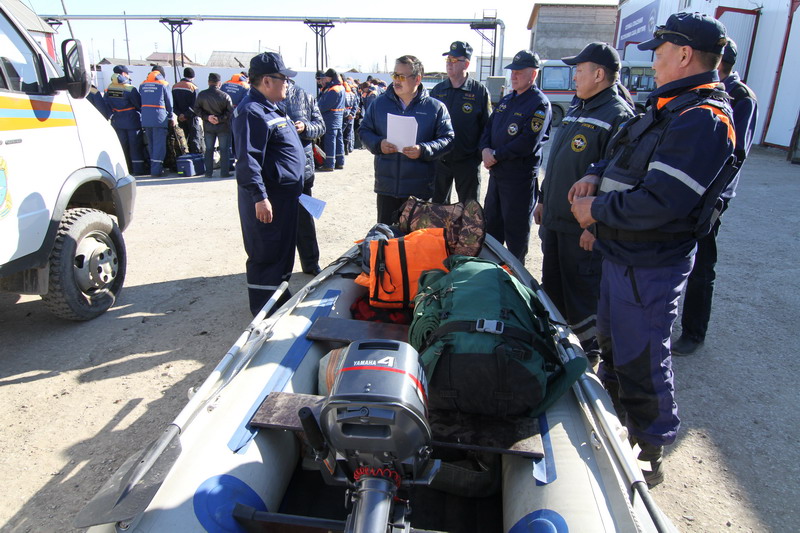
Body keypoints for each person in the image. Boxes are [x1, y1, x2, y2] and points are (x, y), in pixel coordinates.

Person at [568, 12, 736, 486]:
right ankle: (617, 420)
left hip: (650, 263)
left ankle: (649, 445)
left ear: (685, 55)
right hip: (623, 255)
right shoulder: (669, 105)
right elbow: (625, 153)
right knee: (614, 345)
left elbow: (662, 201)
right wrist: (596, 172)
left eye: (660, 55)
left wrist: (595, 211)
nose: (655, 64)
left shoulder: (702, 118)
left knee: (641, 356)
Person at [534, 43, 634, 363]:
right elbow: (559, 163)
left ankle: (587, 357)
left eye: (580, 69)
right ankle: (559, 349)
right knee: (554, 290)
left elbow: (620, 180)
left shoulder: (619, 116)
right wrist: (542, 200)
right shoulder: (579, 107)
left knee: (581, 295)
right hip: (556, 222)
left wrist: (598, 228)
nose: (574, 76)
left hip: (582, 229)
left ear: (599, 74)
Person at [672, 38, 758, 356]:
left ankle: (694, 332)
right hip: (691, 189)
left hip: (712, 196)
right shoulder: (703, 93)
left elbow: (736, 154)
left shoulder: (739, 96)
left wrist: (710, 199)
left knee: (702, 264)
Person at [233, 52, 305, 316]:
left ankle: (279, 298)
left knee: (281, 252)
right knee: (266, 254)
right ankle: (265, 312)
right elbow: (248, 160)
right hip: (269, 200)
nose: (287, 83)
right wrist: (259, 197)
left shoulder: (270, 108)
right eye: (283, 79)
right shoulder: (251, 111)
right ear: (266, 81)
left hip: (284, 198)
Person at [359, 55, 454, 224]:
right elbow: (364, 130)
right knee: (386, 241)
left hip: (420, 190)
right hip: (387, 188)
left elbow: (447, 139)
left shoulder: (435, 108)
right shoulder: (379, 104)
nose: (396, 80)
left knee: (415, 244)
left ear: (417, 79)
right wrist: (378, 144)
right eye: (395, 75)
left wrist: (423, 150)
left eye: (402, 76)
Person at [479, 50, 552, 263]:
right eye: (513, 71)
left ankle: (515, 279)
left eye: (519, 72)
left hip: (518, 179)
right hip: (498, 176)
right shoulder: (507, 100)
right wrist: (484, 149)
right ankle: (491, 273)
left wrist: (497, 154)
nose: (514, 76)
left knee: (516, 233)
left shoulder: (539, 104)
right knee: (492, 228)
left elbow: (528, 141)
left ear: (534, 74)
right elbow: (489, 128)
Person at [431, 41, 491, 204]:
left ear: (467, 64)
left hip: (467, 161)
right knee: (437, 208)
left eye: (454, 60)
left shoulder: (479, 91)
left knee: (469, 210)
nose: (449, 64)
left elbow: (487, 127)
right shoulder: (438, 90)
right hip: (440, 161)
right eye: (448, 60)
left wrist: (478, 155)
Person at [280, 79, 326, 275]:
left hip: (302, 170)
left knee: (304, 220)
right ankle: (280, 269)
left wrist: (305, 127)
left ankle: (310, 262)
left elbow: (320, 126)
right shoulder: (262, 99)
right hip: (277, 170)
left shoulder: (305, 96)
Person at [104, 66, 147, 175]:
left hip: (117, 121)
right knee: (135, 146)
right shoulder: (129, 89)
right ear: (123, 74)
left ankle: (125, 169)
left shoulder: (109, 88)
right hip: (132, 121)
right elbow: (138, 104)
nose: (129, 75)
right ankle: (138, 169)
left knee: (122, 147)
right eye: (128, 73)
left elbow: (106, 104)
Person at [194, 73, 234, 178]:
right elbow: (230, 112)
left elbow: (196, 109)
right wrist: (219, 119)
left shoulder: (202, 95)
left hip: (208, 126)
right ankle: (224, 172)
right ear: (219, 83)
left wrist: (208, 117)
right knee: (224, 150)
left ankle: (208, 173)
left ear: (208, 82)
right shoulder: (225, 96)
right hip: (223, 126)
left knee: (209, 149)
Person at [139, 66, 174, 177]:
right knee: (159, 145)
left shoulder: (142, 84)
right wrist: (170, 117)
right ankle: (156, 171)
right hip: (159, 118)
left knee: (151, 145)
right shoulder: (164, 84)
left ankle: (153, 168)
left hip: (146, 119)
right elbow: (169, 103)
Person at [317, 68, 347, 171]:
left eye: (326, 77)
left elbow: (325, 105)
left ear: (330, 77)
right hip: (338, 117)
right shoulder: (341, 88)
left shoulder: (333, 89)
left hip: (330, 118)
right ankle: (340, 162)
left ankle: (329, 164)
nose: (324, 79)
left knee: (330, 141)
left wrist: (317, 109)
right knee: (339, 140)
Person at [172, 67, 203, 154]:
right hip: (191, 118)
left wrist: (180, 114)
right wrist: (186, 115)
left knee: (183, 140)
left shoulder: (175, 86)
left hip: (180, 118)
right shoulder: (193, 87)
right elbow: (195, 106)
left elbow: (173, 105)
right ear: (193, 76)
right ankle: (195, 160)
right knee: (194, 139)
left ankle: (185, 158)